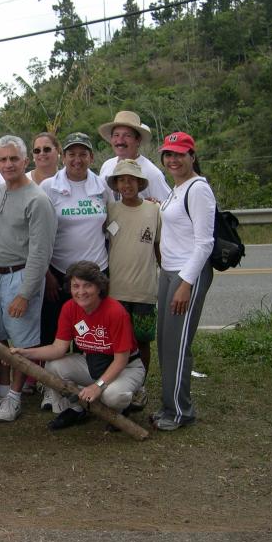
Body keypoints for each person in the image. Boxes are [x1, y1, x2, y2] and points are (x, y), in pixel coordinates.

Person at [12, 261, 145, 431]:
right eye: (76, 286)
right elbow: (58, 348)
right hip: (92, 363)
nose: (81, 292)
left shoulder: (115, 312)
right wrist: (24, 353)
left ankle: (121, 408)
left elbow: (121, 360)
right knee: (53, 366)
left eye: (87, 286)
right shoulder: (69, 308)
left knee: (113, 396)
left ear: (99, 287)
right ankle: (77, 408)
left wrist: (97, 386)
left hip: (126, 367)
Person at [0, 135, 57, 422]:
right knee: (0, 340)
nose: (8, 164)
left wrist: (25, 293)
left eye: (14, 158)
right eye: (3, 159)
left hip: (22, 276)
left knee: (22, 345)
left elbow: (41, 252)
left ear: (25, 161)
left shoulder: (38, 200)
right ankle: (3, 390)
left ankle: (15, 397)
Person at [154, 132, 215, 431]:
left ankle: (180, 411)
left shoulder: (198, 189)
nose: (173, 159)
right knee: (165, 342)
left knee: (178, 345)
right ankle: (169, 405)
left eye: (179, 154)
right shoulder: (176, 189)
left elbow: (205, 243)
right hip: (169, 272)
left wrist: (185, 283)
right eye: (168, 154)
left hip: (186, 274)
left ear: (192, 156)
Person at [39, 133, 113, 348]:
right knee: (55, 331)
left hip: (96, 271)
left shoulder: (102, 186)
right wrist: (47, 273)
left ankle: (89, 377)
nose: (77, 160)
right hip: (59, 273)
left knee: (90, 333)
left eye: (83, 154)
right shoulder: (48, 187)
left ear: (91, 157)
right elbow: (38, 233)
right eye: (72, 154)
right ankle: (51, 379)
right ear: (63, 157)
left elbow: (111, 221)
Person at [105, 159, 161, 410]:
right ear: (115, 184)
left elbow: (159, 249)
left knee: (142, 341)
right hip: (115, 291)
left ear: (140, 183)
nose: (126, 184)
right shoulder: (110, 209)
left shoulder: (154, 211)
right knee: (117, 342)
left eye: (131, 180)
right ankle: (114, 383)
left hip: (144, 290)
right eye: (121, 180)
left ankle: (140, 386)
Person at [98, 111, 170, 202]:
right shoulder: (107, 165)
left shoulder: (152, 173)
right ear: (111, 138)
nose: (120, 141)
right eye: (116, 135)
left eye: (127, 135)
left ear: (138, 140)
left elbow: (167, 206)